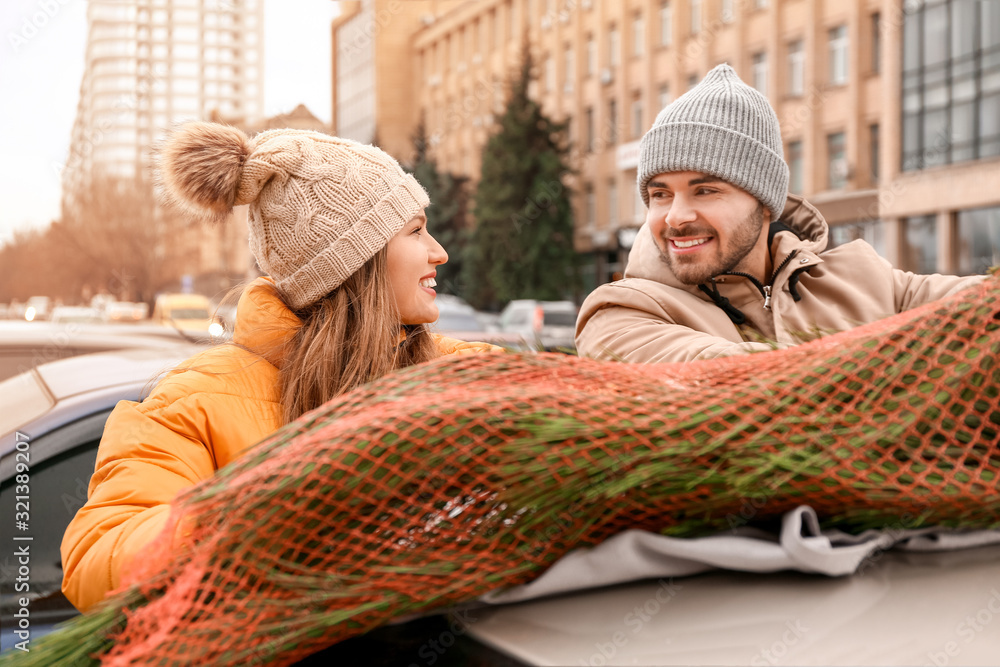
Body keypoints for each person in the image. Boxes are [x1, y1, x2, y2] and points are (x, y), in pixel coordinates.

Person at [61, 123, 502, 612]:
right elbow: (97, 559)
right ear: (356, 261)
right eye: (416, 230)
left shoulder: (464, 373)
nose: (439, 250)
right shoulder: (194, 403)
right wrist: (279, 510)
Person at [576, 64, 985, 363]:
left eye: (705, 190)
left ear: (765, 201)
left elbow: (982, 305)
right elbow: (745, 383)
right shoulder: (620, 314)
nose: (676, 216)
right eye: (660, 194)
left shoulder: (867, 280)